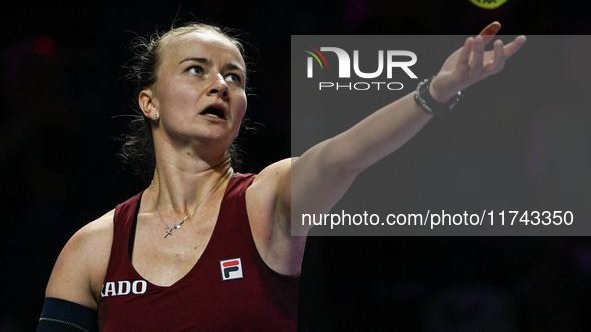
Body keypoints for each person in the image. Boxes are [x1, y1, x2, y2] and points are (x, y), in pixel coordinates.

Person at [37, 22, 526, 331]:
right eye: (196, 69)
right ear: (150, 103)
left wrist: (434, 93)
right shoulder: (93, 247)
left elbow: (342, 157)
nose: (220, 85)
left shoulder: (268, 201)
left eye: (235, 77)